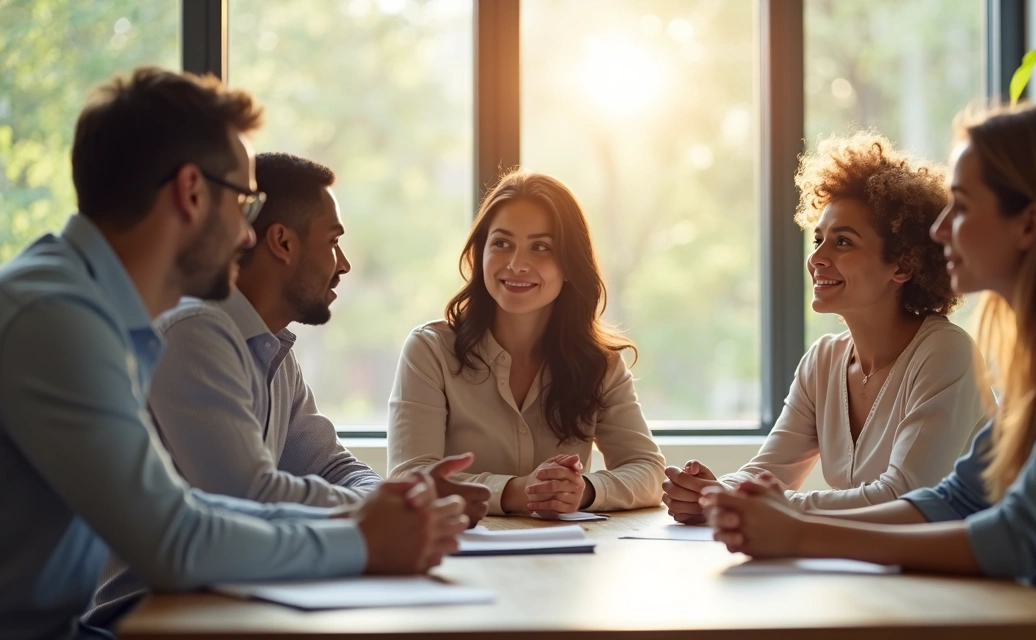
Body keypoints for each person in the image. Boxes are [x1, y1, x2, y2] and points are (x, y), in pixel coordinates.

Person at [703, 105, 1036, 638]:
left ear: (1029, 224)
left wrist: (802, 534)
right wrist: (792, 521)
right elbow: (958, 499)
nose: (941, 229)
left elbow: (1019, 537)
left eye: (962, 207)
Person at [0, 67, 466, 640]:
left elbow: (190, 513)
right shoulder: (57, 318)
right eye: (245, 202)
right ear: (191, 192)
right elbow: (175, 540)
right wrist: (361, 538)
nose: (250, 235)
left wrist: (369, 520)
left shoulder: (92, 312)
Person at [85, 152, 493, 627]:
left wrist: (401, 496)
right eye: (333, 241)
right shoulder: (195, 331)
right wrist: (387, 512)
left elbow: (330, 464)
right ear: (281, 241)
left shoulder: (272, 348)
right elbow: (248, 493)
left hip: (222, 601)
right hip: (145, 617)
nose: (344, 264)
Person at [663, 132, 986, 523]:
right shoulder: (823, 360)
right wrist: (714, 493)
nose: (816, 258)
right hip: (885, 566)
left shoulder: (946, 353)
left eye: (843, 242)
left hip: (977, 574)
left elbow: (906, 498)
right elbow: (768, 471)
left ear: (902, 266)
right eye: (818, 239)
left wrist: (765, 505)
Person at [388, 170, 665, 515]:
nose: (517, 264)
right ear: (480, 254)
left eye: (541, 248)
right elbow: (410, 478)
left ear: (569, 264)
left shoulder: (600, 363)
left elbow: (649, 471)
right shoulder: (430, 351)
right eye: (502, 243)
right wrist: (516, 492)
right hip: (456, 551)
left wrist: (585, 491)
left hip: (567, 561)